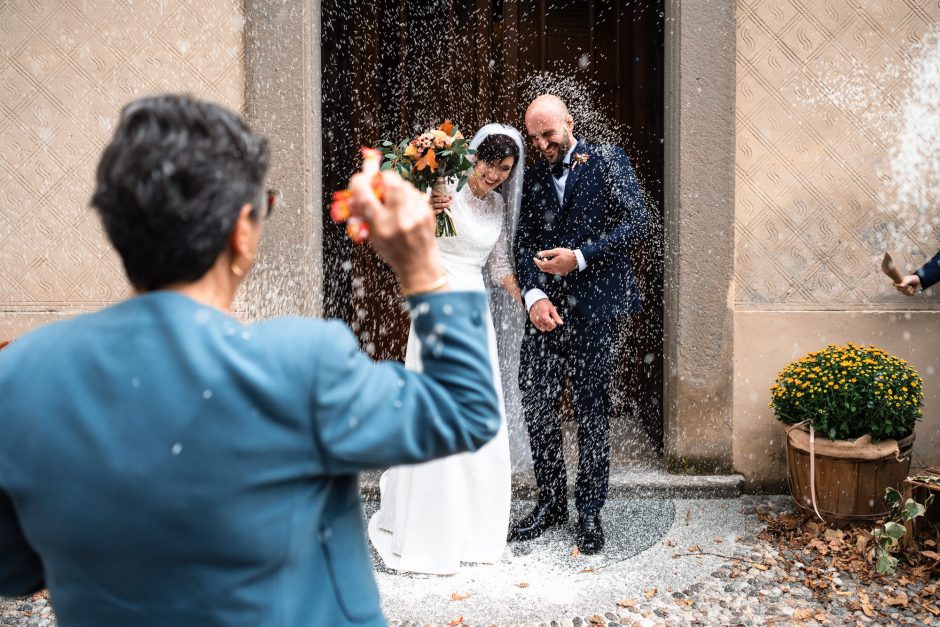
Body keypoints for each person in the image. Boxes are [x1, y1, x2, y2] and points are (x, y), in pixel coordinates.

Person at [0, 94, 501, 627]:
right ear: (243, 231)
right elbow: (466, 413)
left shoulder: (23, 373)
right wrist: (421, 268)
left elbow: (14, 568)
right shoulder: (304, 364)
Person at [368, 124, 526, 575]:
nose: (495, 175)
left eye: (505, 169)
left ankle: (471, 528)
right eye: (490, 164)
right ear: (473, 158)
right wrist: (423, 206)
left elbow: (497, 265)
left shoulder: (496, 205)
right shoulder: (443, 186)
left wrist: (528, 298)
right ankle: (429, 528)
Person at [509, 95, 648, 554]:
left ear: (569, 123)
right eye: (534, 137)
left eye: (548, 134)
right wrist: (532, 296)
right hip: (545, 314)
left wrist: (581, 257)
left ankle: (588, 510)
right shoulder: (530, 178)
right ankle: (550, 503)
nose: (542, 144)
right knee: (537, 401)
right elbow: (522, 242)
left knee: (591, 408)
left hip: (596, 311)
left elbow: (638, 222)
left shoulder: (607, 159)